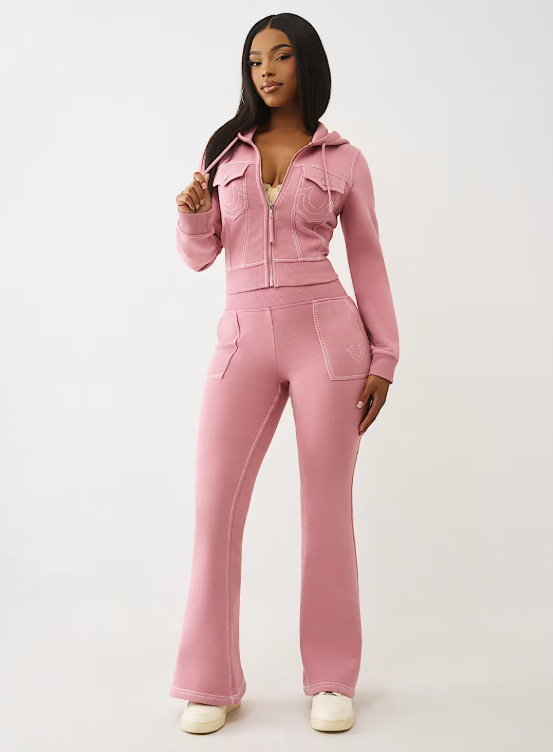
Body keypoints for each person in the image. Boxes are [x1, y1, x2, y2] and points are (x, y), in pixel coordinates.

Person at [170, 12, 400, 734]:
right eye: (254, 61)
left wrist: (386, 357)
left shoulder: (345, 159)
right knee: (214, 506)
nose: (265, 71)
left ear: (306, 63)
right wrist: (193, 216)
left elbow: (367, 258)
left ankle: (332, 677)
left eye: (280, 57)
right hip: (242, 337)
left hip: (328, 340)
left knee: (326, 509)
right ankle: (210, 681)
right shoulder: (223, 150)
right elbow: (200, 256)